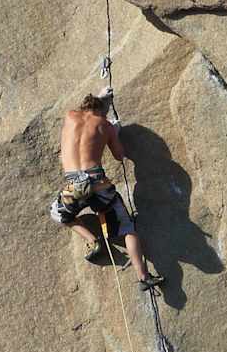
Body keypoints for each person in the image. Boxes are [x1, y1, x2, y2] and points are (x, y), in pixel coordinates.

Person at [49, 88, 164, 291]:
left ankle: (94, 242)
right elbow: (120, 156)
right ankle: (143, 277)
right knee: (127, 228)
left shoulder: (70, 116)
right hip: (98, 184)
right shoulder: (106, 126)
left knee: (59, 214)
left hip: (73, 186)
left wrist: (100, 102)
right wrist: (115, 132)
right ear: (103, 109)